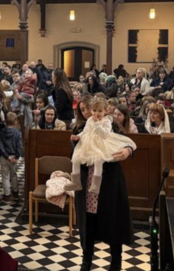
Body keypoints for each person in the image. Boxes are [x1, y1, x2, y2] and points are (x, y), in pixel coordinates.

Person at [69, 96, 134, 271]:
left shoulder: (110, 124)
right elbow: (74, 155)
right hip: (86, 184)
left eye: (88, 109)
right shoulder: (82, 127)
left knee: (113, 220)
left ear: (104, 110)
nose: (89, 113)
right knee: (88, 224)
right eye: (83, 110)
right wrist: (75, 141)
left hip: (109, 183)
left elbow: (126, 142)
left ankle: (116, 262)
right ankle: (86, 261)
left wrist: (128, 151)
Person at [64, 98, 136, 194]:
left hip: (105, 163)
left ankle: (96, 185)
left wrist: (128, 150)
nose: (96, 113)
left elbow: (110, 136)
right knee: (76, 158)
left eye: (100, 111)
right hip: (86, 160)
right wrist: (77, 137)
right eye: (94, 110)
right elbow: (85, 132)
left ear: (105, 111)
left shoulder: (108, 121)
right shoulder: (86, 122)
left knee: (99, 158)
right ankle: (76, 182)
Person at [0, 112, 23, 202]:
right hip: (14, 157)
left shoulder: (1, 133)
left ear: (5, 122)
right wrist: (17, 156)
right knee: (14, 175)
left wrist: (6, 156)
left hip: (4, 157)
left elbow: (0, 145)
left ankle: (7, 195)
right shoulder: (17, 133)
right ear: (15, 121)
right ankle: (15, 192)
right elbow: (19, 146)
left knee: (5, 176)